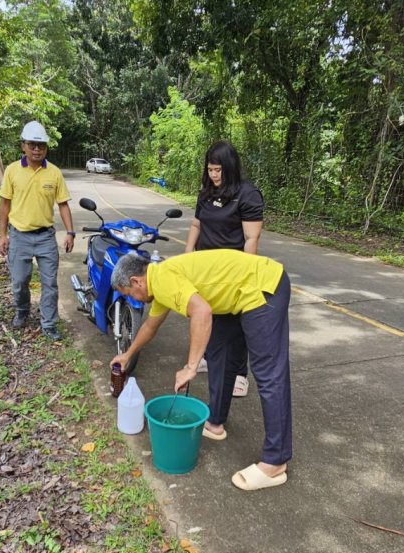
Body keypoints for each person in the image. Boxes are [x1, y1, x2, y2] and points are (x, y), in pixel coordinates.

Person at [109, 250, 292, 491]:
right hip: (233, 297)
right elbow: (150, 327)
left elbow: (202, 312)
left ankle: (275, 461)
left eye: (130, 294)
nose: (135, 300)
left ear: (136, 281)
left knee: (268, 373)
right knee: (221, 356)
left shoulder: (163, 280)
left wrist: (190, 367)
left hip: (263, 286)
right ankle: (215, 423)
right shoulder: (159, 283)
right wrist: (128, 354)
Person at [184, 141, 264, 398]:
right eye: (210, 170)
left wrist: (245, 273)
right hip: (205, 268)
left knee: (234, 321)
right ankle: (209, 356)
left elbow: (251, 238)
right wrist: (187, 255)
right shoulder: (206, 192)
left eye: (218, 170)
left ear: (230, 168)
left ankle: (240, 374)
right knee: (208, 313)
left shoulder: (247, 194)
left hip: (232, 269)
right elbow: (197, 224)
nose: (214, 175)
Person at [0, 121, 75, 340]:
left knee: (49, 283)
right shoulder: (12, 171)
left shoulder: (54, 173)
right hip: (19, 236)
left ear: (46, 148)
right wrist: (3, 235)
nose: (37, 149)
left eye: (41, 145)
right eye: (32, 144)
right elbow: (4, 205)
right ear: (24, 145)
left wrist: (70, 232)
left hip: (45, 237)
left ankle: (49, 323)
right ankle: (22, 310)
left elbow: (63, 204)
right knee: (20, 281)